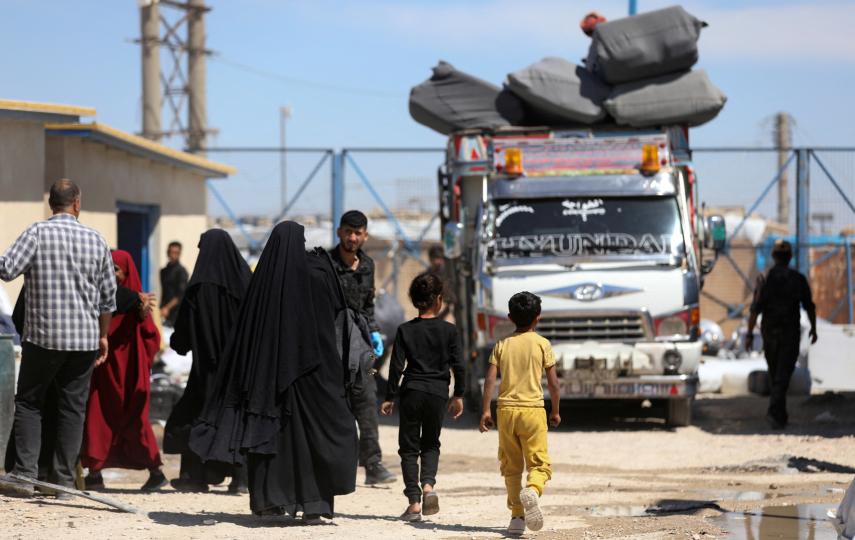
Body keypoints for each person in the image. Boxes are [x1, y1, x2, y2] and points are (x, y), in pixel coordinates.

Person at [190, 221, 357, 522]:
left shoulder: (264, 282)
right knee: (311, 440)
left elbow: (249, 334)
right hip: (315, 373)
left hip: (271, 377)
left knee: (273, 439)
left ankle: (270, 500)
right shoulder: (317, 275)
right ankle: (315, 504)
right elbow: (333, 319)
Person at [0, 179, 116, 498]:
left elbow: (6, 269)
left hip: (43, 337)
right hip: (83, 341)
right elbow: (108, 298)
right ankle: (64, 483)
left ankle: (25, 474)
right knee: (72, 409)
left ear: (51, 203)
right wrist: (103, 336)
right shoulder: (96, 239)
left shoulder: (36, 232)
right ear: (76, 203)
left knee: (29, 403)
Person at [164, 229, 252, 493]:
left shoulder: (199, 286)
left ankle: (195, 476)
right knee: (237, 418)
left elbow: (183, 335)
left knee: (196, 415)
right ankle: (242, 479)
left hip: (206, 371)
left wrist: (181, 343)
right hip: (239, 369)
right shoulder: (245, 282)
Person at [380, 273, 465, 522]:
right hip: (438, 394)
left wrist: (389, 396)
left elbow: (396, 366)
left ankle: (414, 502)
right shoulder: (449, 331)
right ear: (439, 299)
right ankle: (428, 486)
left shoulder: (405, 330)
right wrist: (458, 394)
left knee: (408, 448)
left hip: (412, 391)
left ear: (414, 300)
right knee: (431, 443)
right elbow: (459, 366)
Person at [81, 250, 167, 491]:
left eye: (116, 270)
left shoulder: (138, 301)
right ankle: (95, 472)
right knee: (98, 416)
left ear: (127, 272)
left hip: (130, 371)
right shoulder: (103, 295)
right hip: (104, 367)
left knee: (134, 418)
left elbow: (152, 337)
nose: (112, 274)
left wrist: (141, 315)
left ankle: (155, 471)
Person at [479, 291, 561, 537]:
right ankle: (534, 490)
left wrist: (485, 410)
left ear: (509, 317)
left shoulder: (502, 345)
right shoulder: (542, 344)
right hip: (533, 411)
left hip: (505, 411)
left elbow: (490, 380)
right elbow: (554, 384)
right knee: (539, 463)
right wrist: (555, 411)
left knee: (511, 466)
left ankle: (516, 517)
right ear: (538, 317)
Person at [329, 210, 396, 485]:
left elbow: (368, 306)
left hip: (360, 344)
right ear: (339, 232)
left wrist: (375, 331)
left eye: (358, 233)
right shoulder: (326, 264)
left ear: (365, 235)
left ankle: (373, 464)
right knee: (335, 406)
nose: (352, 238)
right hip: (331, 343)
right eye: (348, 232)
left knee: (367, 400)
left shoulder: (367, 265)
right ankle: (336, 467)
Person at [747, 240, 818, 430]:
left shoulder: (765, 279)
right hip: (789, 334)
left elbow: (755, 309)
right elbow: (809, 306)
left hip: (770, 334)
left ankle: (777, 413)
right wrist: (814, 328)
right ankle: (776, 413)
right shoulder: (797, 279)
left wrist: (749, 334)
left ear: (774, 257)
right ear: (790, 257)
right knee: (782, 375)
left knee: (776, 374)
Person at [160, 241, 189, 326]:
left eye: (176, 253)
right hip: (164, 311)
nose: (173, 255)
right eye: (171, 252)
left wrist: (167, 308)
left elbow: (181, 294)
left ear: (179, 254)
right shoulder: (163, 271)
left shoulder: (182, 272)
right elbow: (164, 292)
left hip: (177, 312)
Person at [427, 244, 455, 321]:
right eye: (436, 258)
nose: (439, 262)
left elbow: (452, 302)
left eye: (441, 258)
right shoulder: (428, 275)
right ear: (430, 259)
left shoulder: (447, 274)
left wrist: (441, 316)